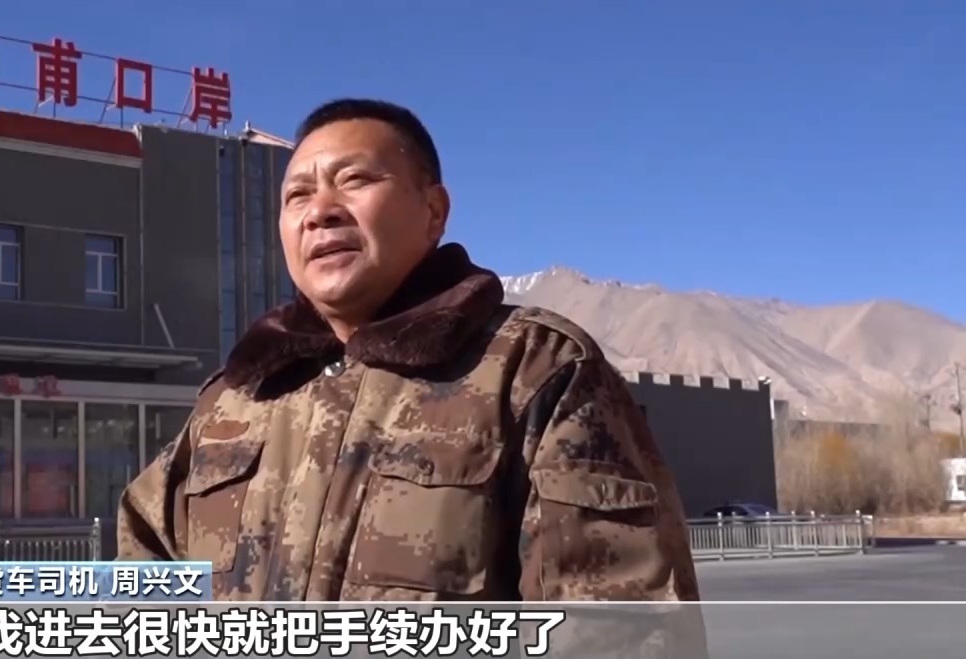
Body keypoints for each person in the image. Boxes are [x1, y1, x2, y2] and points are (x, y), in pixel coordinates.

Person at [119, 99, 701, 608]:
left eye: (354, 180)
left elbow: (618, 626)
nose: (319, 211)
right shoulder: (237, 398)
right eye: (297, 195)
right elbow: (142, 575)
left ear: (433, 211)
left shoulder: (533, 368)